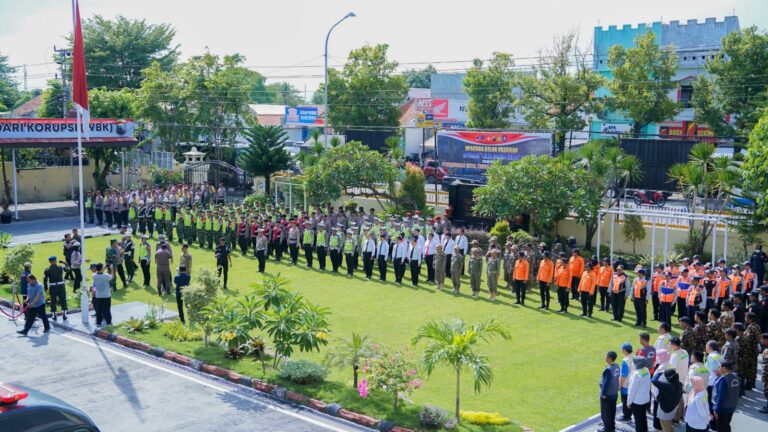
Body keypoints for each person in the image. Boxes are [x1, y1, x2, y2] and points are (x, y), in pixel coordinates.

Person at [711, 361, 739, 432]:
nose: (719, 368)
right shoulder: (735, 377)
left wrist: (716, 410)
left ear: (724, 368)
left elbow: (721, 396)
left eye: (720, 367)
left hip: (723, 408)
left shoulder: (723, 380)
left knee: (721, 427)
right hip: (732, 406)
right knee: (726, 425)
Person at [627, 356, 651, 432]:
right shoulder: (646, 370)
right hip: (645, 399)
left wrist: (628, 402)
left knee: (638, 420)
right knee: (643, 417)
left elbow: (632, 390)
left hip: (637, 401)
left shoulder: (636, 374)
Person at [667, 336, 689, 422]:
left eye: (670, 344)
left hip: (676, 380)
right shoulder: (685, 352)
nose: (669, 345)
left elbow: (671, 370)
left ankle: (676, 418)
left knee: (676, 399)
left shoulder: (675, 355)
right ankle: (681, 414)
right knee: (680, 398)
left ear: (674, 345)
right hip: (683, 378)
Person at [599, 351, 620, 432]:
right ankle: (612, 427)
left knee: (606, 413)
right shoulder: (617, 366)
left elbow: (605, 382)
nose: (605, 357)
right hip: (614, 393)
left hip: (607, 395)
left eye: (606, 356)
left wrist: (603, 393)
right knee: (612, 411)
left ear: (609, 358)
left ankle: (606, 429)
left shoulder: (608, 369)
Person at [43, 256, 67, 321]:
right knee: (63, 299)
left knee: (53, 301)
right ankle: (64, 314)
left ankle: (54, 315)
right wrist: (65, 263)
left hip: (53, 286)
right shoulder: (61, 267)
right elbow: (69, 270)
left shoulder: (47, 269)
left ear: (49, 262)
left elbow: (45, 280)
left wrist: (45, 288)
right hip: (61, 285)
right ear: (55, 261)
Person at [91, 263, 113, 327]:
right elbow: (112, 276)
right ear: (101, 268)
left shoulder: (94, 276)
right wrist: (111, 269)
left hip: (98, 296)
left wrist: (104, 268)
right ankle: (108, 322)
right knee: (107, 309)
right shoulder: (106, 276)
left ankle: (98, 323)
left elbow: (100, 272)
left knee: (98, 310)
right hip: (106, 295)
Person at [705, 340, 723, 414]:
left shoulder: (711, 357)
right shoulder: (718, 355)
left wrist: (719, 380)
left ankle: (711, 419)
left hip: (712, 382)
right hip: (716, 381)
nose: (705, 347)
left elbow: (716, 370)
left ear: (709, 347)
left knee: (710, 402)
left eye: (706, 346)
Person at [618, 343, 635, 422]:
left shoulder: (625, 360)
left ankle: (626, 417)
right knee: (630, 400)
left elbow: (623, 375)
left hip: (626, 385)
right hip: (633, 382)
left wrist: (619, 385)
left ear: (625, 350)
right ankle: (629, 414)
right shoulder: (634, 357)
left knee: (625, 401)